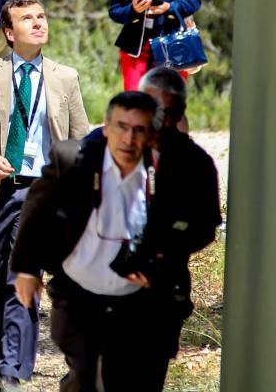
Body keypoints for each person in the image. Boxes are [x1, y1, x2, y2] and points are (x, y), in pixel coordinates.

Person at [11, 88, 220, 392]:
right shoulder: (73, 161)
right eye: (121, 127)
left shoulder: (169, 175)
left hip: (140, 302)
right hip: (80, 295)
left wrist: (159, 262)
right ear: (106, 128)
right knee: (90, 381)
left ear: (151, 136)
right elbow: (36, 209)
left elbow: (201, 226)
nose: (129, 139)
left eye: (139, 131)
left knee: (131, 381)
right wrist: (27, 270)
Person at [0, 0, 89, 390]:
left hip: (43, 191)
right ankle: (0, 333)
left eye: (41, 16)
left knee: (20, 277)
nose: (38, 23)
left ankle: (12, 368)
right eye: (27, 19)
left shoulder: (65, 78)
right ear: (9, 32)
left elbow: (80, 137)